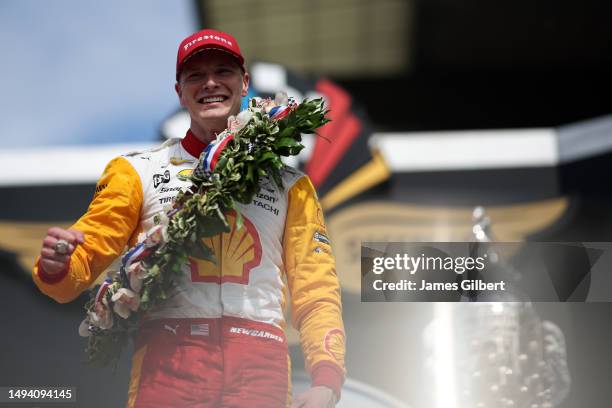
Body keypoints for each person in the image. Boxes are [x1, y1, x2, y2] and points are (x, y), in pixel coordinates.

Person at [33, 29, 346, 408]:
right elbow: (74, 273)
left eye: (223, 72)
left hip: (260, 363)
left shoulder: (291, 185)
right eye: (195, 75)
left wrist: (326, 378)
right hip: (168, 364)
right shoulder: (138, 172)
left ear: (245, 82)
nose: (210, 82)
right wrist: (58, 264)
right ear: (179, 91)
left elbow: (316, 289)